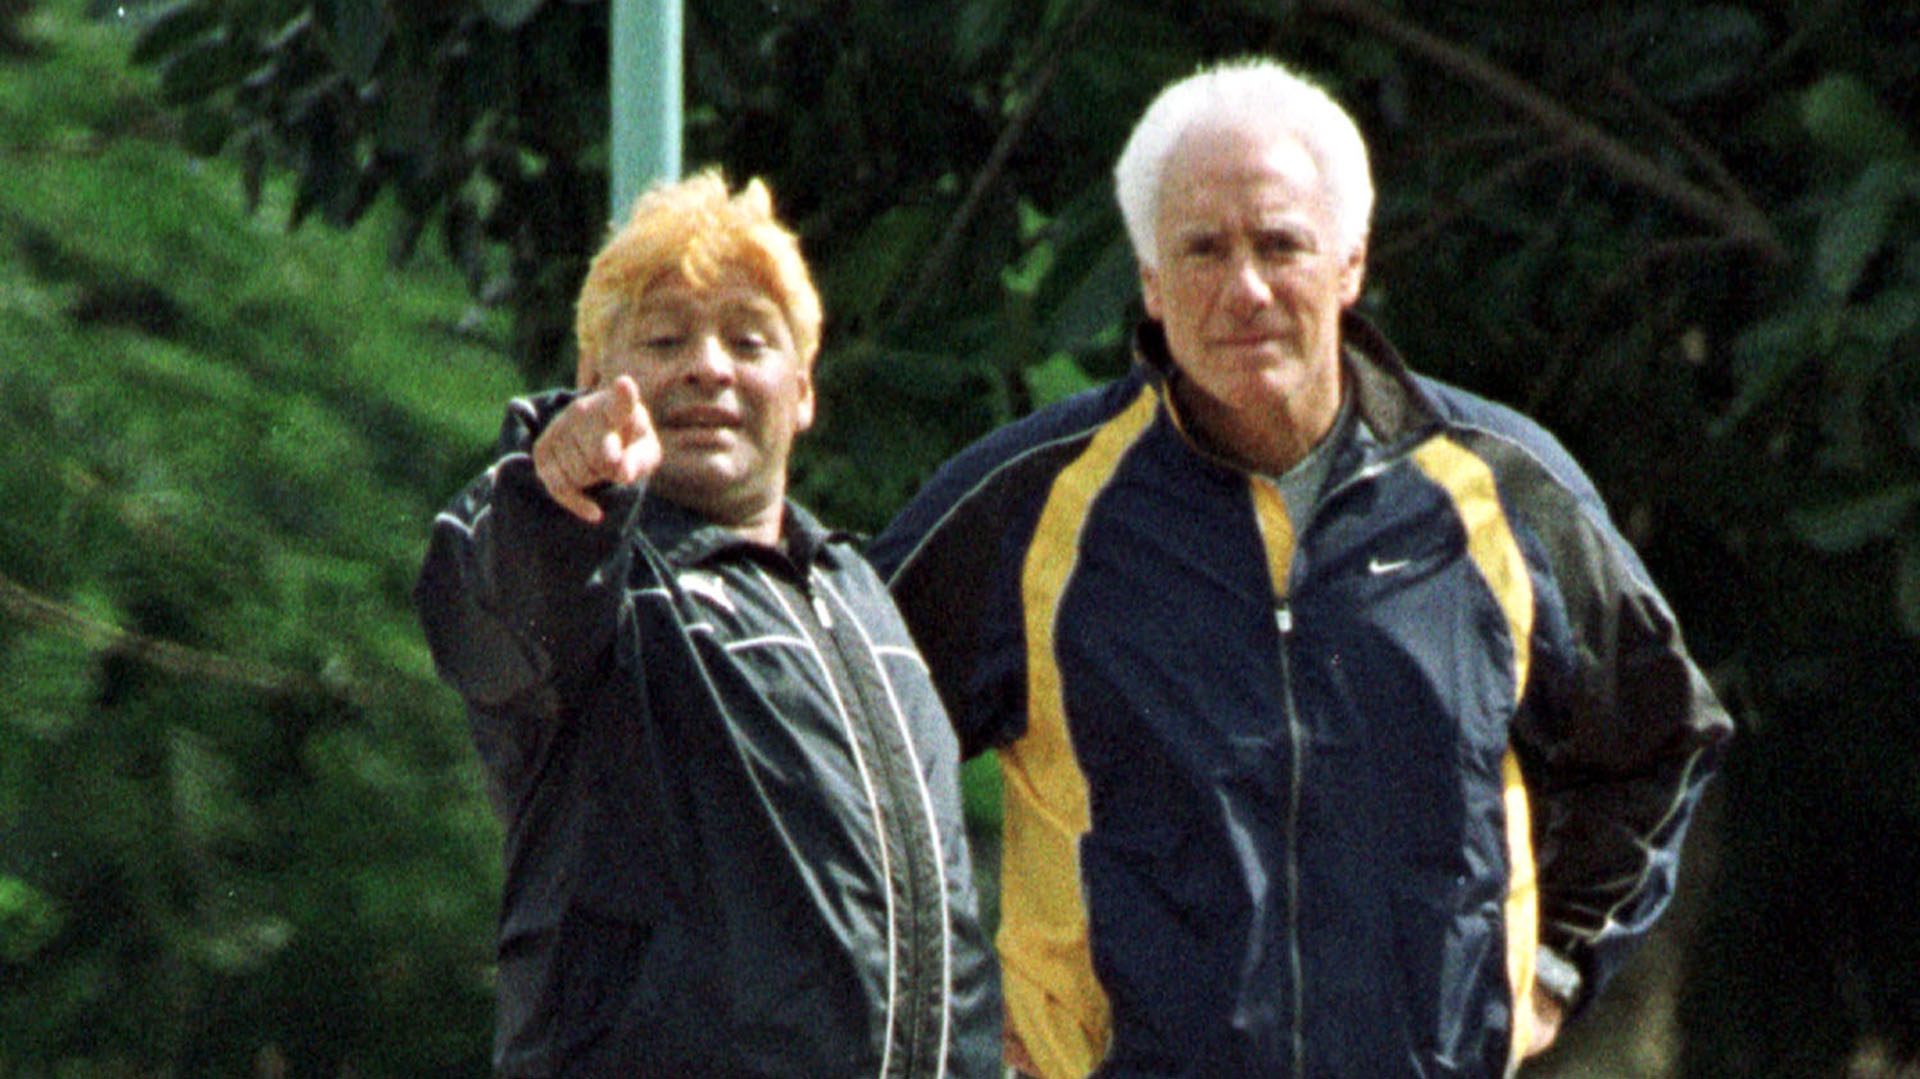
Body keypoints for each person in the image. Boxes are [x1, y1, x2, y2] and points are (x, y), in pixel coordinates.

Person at [868, 58, 1733, 1079]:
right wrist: (947, 1007)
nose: (1245, 288)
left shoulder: (1504, 491)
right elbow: (843, 752)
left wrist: (1551, 964)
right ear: (1149, 280)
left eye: (1280, 244)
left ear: (1350, 261)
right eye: (1201, 250)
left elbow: (1659, 736)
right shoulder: (1031, 505)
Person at [415, 170, 1001, 1079]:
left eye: (748, 339)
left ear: (801, 390)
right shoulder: (581, 562)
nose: (708, 366)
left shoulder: (860, 595)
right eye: (664, 337)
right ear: (593, 378)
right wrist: (561, 481)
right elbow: (496, 611)